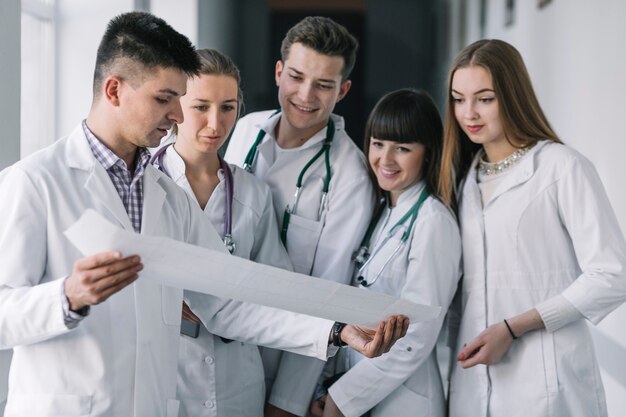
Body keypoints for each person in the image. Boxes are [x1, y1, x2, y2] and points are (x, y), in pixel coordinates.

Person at [0, 12, 408, 417]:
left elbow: (228, 303)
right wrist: (66, 297)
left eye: (179, 100)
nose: (178, 117)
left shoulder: (165, 195)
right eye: (164, 99)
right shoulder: (34, 182)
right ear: (114, 90)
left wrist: (336, 331)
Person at [440, 39, 626, 417]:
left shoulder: (561, 167)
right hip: (472, 387)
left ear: (512, 96)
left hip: (549, 381)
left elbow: (613, 275)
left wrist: (513, 328)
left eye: (485, 98)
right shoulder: (461, 179)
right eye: (459, 99)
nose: (469, 113)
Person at [225, 16, 375, 417]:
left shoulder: (350, 176)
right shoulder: (245, 130)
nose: (306, 95)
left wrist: (286, 401)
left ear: (342, 90)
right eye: (296, 77)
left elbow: (329, 293)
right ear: (278, 72)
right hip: (220, 340)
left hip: (281, 357)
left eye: (324, 85)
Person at [151, 48, 293, 417]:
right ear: (176, 106)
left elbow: (278, 291)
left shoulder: (252, 193)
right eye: (201, 107)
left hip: (237, 382)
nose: (216, 124)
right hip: (164, 374)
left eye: (228, 107)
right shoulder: (144, 183)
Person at [310, 89, 462, 417]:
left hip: (404, 400)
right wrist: (329, 387)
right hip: (357, 384)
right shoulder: (382, 210)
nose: (385, 159)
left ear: (428, 153)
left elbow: (417, 334)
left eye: (403, 149)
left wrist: (342, 398)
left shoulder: (433, 221)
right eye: (378, 144)